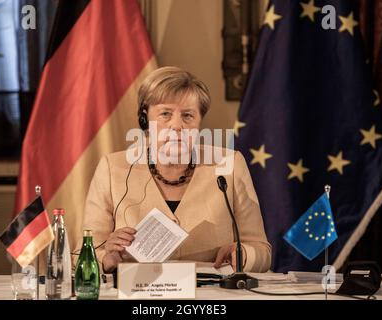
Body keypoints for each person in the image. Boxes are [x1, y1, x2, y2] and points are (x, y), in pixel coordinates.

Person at [82, 66, 271, 273]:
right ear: (145, 120)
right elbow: (83, 254)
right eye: (165, 114)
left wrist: (244, 255)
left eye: (188, 116)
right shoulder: (112, 168)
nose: (177, 125)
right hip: (139, 293)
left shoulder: (229, 164)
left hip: (211, 296)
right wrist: (107, 258)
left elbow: (262, 252)